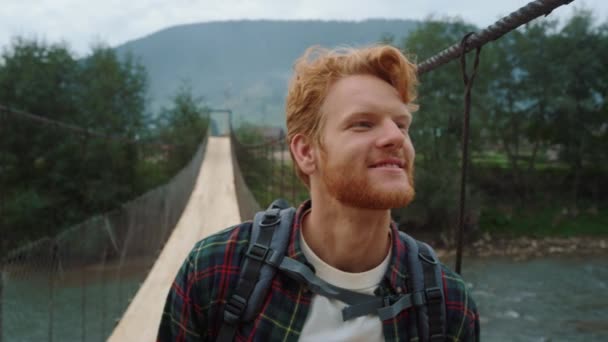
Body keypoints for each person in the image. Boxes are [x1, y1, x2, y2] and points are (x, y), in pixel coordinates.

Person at [157, 45, 479, 341]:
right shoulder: (216, 269)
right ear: (306, 152)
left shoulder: (446, 302)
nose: (395, 137)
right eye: (363, 124)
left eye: (402, 124)